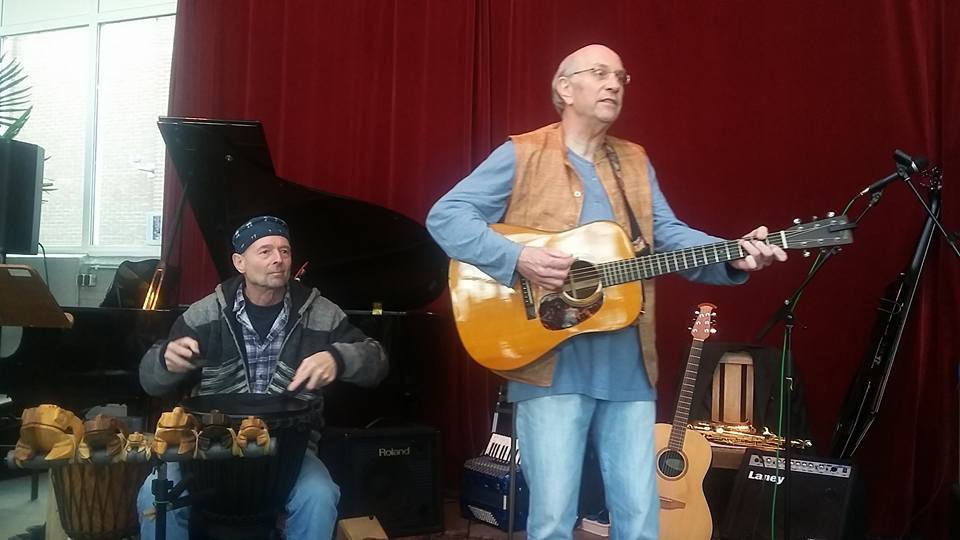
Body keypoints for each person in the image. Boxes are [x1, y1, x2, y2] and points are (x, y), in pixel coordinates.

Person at [426, 44, 787, 540]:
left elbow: (668, 236)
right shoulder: (522, 153)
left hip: (628, 367)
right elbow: (446, 216)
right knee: (553, 519)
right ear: (564, 88)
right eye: (599, 73)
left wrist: (731, 253)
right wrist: (518, 258)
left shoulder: (634, 161)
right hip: (549, 367)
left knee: (639, 518)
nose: (614, 83)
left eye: (620, 76)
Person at [136, 215, 388, 540]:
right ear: (239, 262)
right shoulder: (203, 314)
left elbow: (377, 361)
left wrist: (339, 358)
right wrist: (164, 360)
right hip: (208, 448)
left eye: (285, 251)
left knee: (320, 496)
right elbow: (149, 381)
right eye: (265, 251)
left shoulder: (323, 313)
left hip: (289, 450)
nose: (278, 259)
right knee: (152, 496)